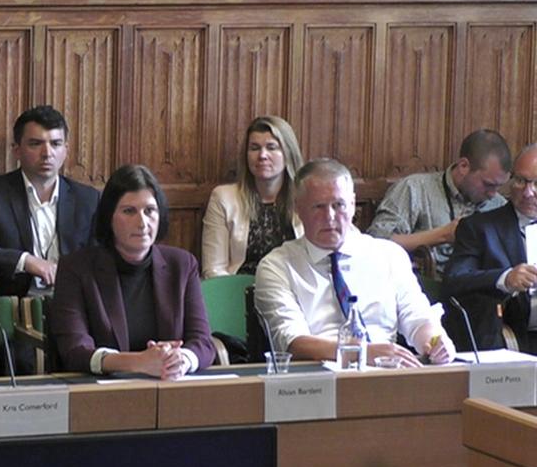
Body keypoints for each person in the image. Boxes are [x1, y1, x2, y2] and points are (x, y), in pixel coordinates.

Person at [255, 158, 455, 366]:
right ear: (298, 208)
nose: (330, 217)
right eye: (318, 207)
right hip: (314, 378)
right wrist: (360, 352)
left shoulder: (389, 255)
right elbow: (292, 343)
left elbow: (418, 317)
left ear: (352, 205)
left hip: (386, 374)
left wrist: (436, 342)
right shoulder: (277, 266)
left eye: (338, 205)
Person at [50, 164, 215, 378]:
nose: (142, 222)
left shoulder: (182, 264)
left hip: (169, 387)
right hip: (103, 395)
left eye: (150, 210)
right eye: (129, 211)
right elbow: (74, 351)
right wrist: (139, 362)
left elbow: (203, 342)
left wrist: (180, 360)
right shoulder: (76, 268)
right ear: (109, 217)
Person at [0, 105, 100, 296]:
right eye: (35, 143)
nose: (47, 153)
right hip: (16, 306)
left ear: (65, 150)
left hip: (75, 303)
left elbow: (102, 255)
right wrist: (25, 261)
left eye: (55, 144)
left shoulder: (87, 198)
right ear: (17, 150)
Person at [368, 129, 511, 275]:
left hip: (480, 288)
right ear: (463, 166)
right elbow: (376, 243)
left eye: (499, 186)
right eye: (488, 184)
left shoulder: (499, 205)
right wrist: (443, 235)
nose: (493, 194)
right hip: (425, 287)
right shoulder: (416, 189)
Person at [445, 143, 537, 353]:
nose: (528, 193)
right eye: (521, 181)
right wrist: (505, 279)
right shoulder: (480, 228)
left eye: (536, 183)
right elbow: (454, 280)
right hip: (516, 336)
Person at [201, 115, 304, 278]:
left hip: (295, 293)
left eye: (272, 147)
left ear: (288, 153)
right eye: (254, 148)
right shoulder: (223, 198)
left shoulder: (307, 198)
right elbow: (213, 269)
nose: (262, 155)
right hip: (238, 293)